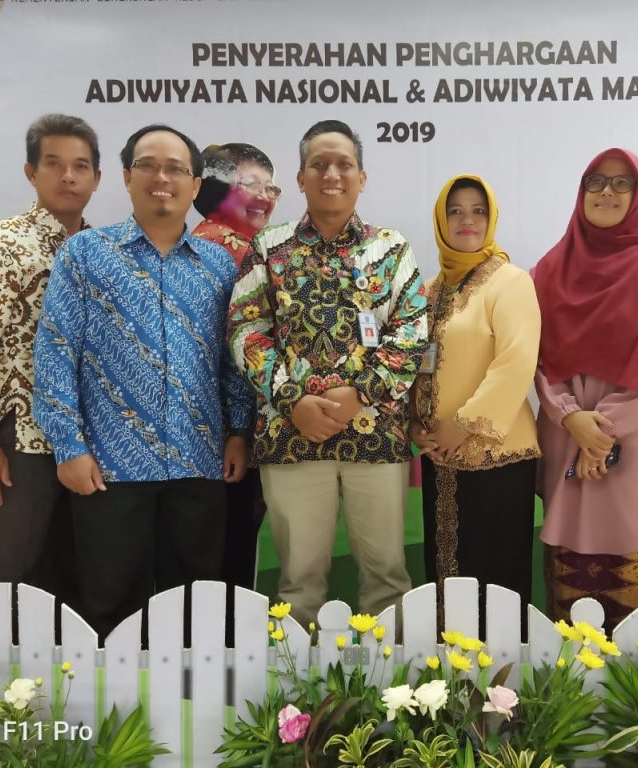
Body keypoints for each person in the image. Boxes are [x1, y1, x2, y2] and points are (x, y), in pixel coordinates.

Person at [33, 124, 256, 643]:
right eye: (149, 165)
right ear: (127, 177)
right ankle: (116, 699)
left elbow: (233, 359)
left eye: (177, 169)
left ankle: (195, 697)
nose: (163, 178)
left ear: (195, 185)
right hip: (109, 468)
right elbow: (56, 352)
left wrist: (239, 432)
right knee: (109, 611)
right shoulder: (86, 254)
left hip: (199, 464)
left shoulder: (218, 266)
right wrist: (68, 446)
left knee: (196, 612)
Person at [228, 119, 428, 630]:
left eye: (344, 164)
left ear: (362, 177)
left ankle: (393, 681)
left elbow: (411, 333)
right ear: (300, 178)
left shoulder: (391, 249)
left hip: (376, 436)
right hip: (291, 435)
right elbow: (246, 330)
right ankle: (296, 683)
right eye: (319, 165)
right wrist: (292, 399)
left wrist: (361, 394)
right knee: (298, 585)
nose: (332, 174)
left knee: (387, 580)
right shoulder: (268, 248)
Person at [532, 148, 638, 632]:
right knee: (570, 591)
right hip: (567, 433)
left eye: (622, 183)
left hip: (637, 439)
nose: (607, 192)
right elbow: (537, 359)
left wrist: (602, 431)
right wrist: (569, 416)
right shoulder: (548, 269)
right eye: (596, 181)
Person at [0, 113, 100, 608]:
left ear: (98, 178)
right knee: (1, 582)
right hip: (15, 440)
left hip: (81, 442)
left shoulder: (98, 251)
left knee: (67, 587)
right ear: (31, 172)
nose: (68, 176)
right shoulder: (1, 245)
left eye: (80, 166)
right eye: (54, 164)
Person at [410, 175, 540, 631]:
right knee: (447, 575)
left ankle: (502, 675)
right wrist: (416, 423)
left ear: (491, 219)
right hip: (440, 456)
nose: (467, 220)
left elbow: (516, 362)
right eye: (456, 211)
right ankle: (447, 673)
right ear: (441, 220)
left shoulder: (510, 281)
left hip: (497, 457)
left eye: (478, 210)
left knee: (496, 577)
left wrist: (462, 425)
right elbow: (415, 363)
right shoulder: (429, 291)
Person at [193, 143, 281, 594]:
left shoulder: (242, 247)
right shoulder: (225, 251)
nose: (264, 196)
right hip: (229, 431)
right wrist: (241, 430)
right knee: (229, 551)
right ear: (214, 188)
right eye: (250, 184)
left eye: (270, 187)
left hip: (219, 430)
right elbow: (237, 354)